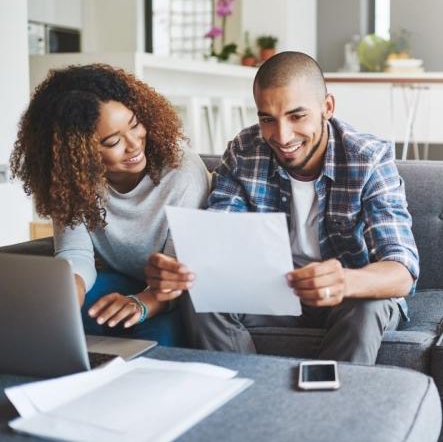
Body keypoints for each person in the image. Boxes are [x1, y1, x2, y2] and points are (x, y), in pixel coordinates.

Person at [145, 52, 419, 364]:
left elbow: (402, 270)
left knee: (368, 307)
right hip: (274, 293)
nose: (282, 136)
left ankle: (328, 411)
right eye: (267, 119)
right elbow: (219, 234)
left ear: (327, 107)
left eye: (297, 116)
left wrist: (344, 281)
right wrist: (179, 267)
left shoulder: (368, 158)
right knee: (198, 295)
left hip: (348, 295)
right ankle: (246, 397)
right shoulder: (245, 151)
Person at [10, 64, 211, 346]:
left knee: (159, 344)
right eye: (112, 141)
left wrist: (142, 303)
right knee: (53, 326)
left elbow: (178, 272)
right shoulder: (72, 179)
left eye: (135, 125)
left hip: (171, 295)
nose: (134, 145)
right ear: (76, 152)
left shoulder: (182, 171)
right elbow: (76, 252)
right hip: (118, 280)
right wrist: (71, 289)